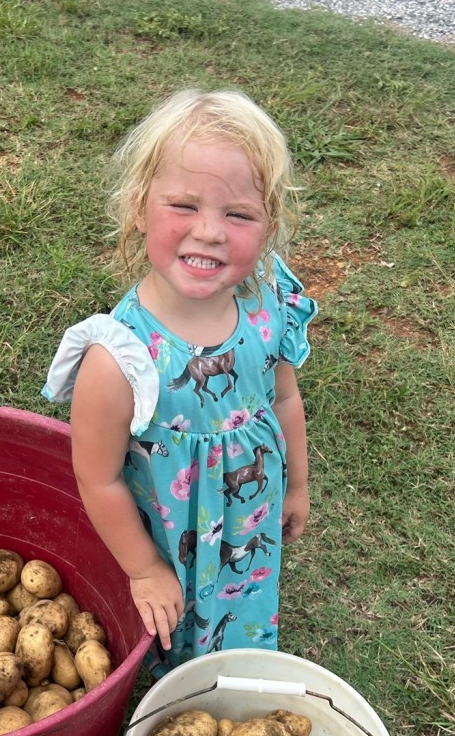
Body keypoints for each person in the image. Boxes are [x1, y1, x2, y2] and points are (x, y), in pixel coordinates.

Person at [43, 88, 317, 672]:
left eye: (238, 214)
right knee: (175, 620)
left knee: (240, 605)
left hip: (249, 516)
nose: (211, 232)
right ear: (140, 206)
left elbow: (284, 397)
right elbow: (98, 479)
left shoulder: (269, 309)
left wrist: (296, 487)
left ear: (270, 225)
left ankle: (237, 657)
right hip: (168, 537)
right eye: (184, 206)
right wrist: (143, 569)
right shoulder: (120, 358)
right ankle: (176, 673)